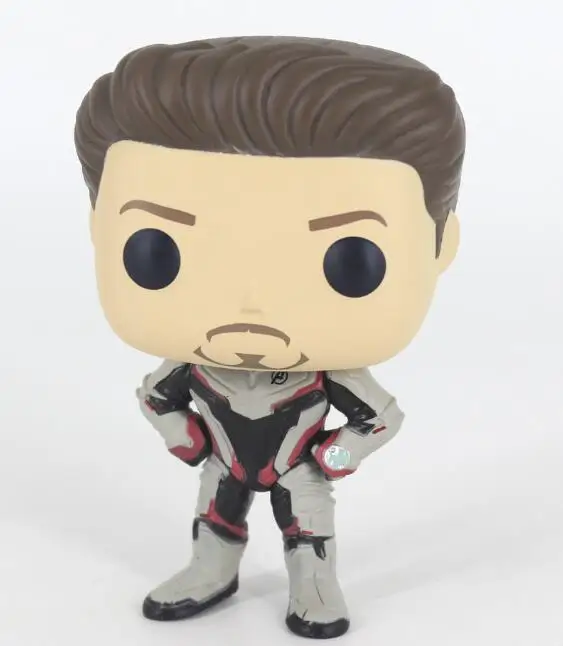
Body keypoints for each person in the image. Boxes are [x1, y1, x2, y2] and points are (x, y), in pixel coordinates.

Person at [75, 35, 465, 639]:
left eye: (350, 263)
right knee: (214, 519)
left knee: (309, 534)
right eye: (157, 254)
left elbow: (381, 421)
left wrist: (334, 459)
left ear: (440, 246)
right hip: (223, 462)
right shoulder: (191, 367)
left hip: (295, 468)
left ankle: (314, 586)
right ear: (99, 230)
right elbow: (155, 398)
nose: (250, 309)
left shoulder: (330, 374)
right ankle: (210, 571)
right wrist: (183, 437)